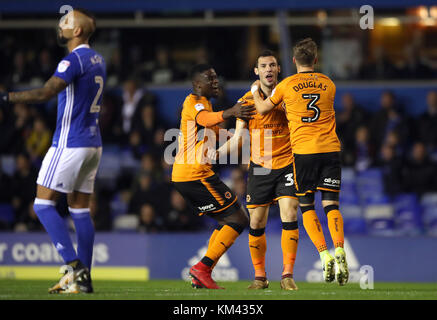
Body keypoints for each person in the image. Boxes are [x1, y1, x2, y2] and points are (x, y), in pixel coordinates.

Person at [0, 8, 104, 293]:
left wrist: (7, 97)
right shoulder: (98, 59)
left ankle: (74, 266)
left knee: (42, 205)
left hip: (69, 143)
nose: (61, 25)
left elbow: (46, 92)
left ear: (78, 31)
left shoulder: (73, 60)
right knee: (80, 210)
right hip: (93, 144)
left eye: (67, 22)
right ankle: (83, 280)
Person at [250, 38, 349, 286]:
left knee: (306, 206)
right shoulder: (329, 83)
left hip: (304, 152)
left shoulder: (286, 85)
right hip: (330, 150)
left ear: (293, 61)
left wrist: (254, 91)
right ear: (316, 60)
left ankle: (324, 253)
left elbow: (262, 109)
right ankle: (339, 249)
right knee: (331, 205)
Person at [210, 50, 299, 290]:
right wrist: (218, 152)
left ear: (278, 69)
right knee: (256, 221)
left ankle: (287, 275)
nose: (268, 69)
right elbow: (239, 138)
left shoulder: (289, 97)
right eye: (263, 66)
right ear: (256, 71)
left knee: (289, 213)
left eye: (272, 65)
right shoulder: (245, 102)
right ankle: (260, 277)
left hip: (287, 164)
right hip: (260, 168)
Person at [171, 64, 254, 289]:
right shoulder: (194, 103)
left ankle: (203, 272)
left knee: (228, 220)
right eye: (210, 79)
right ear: (198, 85)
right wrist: (232, 112)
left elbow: (216, 132)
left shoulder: (206, 104)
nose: (216, 82)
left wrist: (241, 135)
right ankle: (202, 268)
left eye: (216, 77)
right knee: (238, 219)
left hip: (193, 174)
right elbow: (206, 120)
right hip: (194, 174)